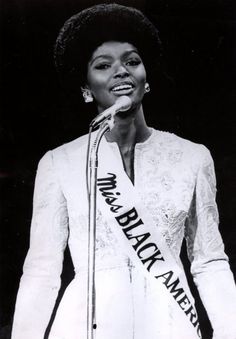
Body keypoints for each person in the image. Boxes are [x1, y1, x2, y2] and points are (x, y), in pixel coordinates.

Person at [11, 3, 236, 339]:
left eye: (132, 61)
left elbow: (210, 261)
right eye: (104, 65)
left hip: (170, 323)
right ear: (86, 86)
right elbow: (42, 271)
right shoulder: (60, 163)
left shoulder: (193, 157)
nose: (121, 71)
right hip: (85, 325)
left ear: (146, 79)